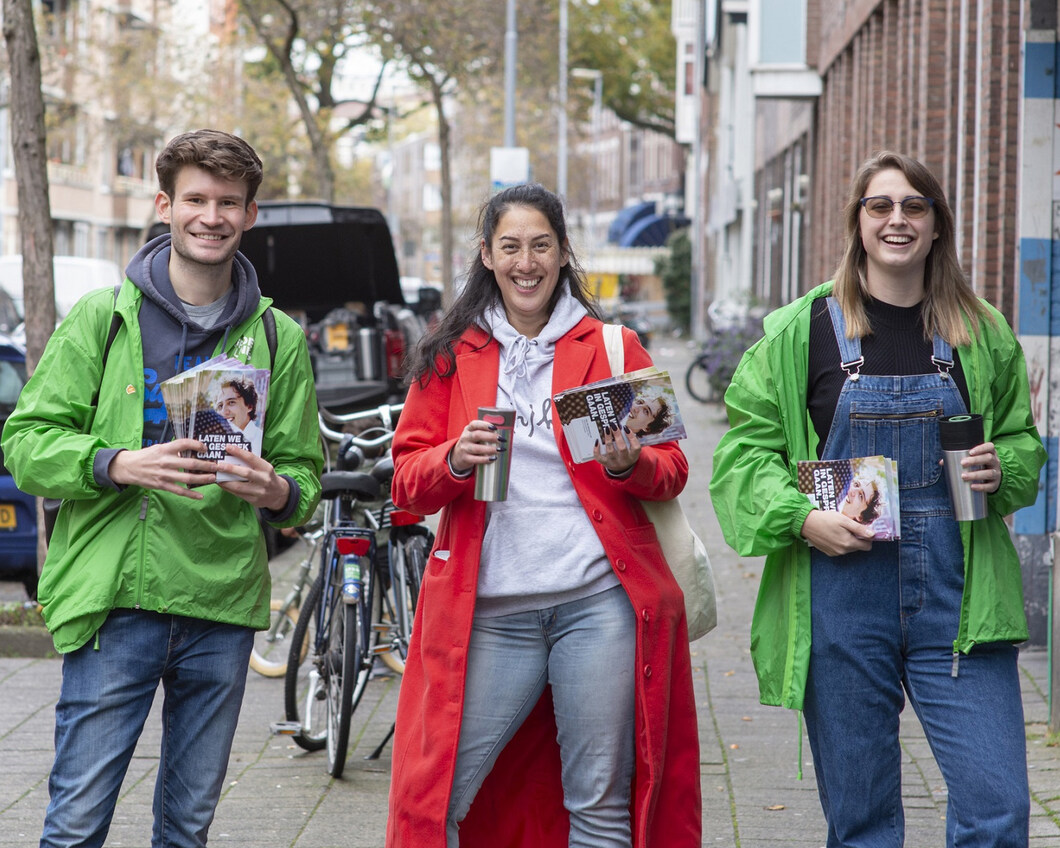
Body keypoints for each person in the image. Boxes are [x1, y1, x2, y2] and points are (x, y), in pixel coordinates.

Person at [710, 151, 1045, 848]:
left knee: (998, 810)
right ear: (858, 223)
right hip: (840, 600)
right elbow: (743, 457)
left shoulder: (979, 333)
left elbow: (1021, 442)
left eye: (913, 206)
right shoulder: (800, 333)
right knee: (862, 823)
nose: (897, 220)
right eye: (880, 206)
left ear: (936, 225)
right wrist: (802, 517)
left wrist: (1000, 467)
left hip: (960, 599)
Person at [2, 128, 324, 848]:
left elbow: (305, 482)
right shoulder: (102, 318)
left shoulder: (278, 340)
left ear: (250, 217)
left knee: (186, 828)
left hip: (220, 606)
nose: (211, 216)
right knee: (77, 823)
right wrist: (117, 463)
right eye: (196, 199)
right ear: (164, 205)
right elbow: (24, 444)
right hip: (117, 600)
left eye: (229, 202)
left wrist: (273, 490)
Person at [385, 182, 701, 848]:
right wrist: (455, 459)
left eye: (540, 246)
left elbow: (671, 472)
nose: (525, 262)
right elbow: (406, 488)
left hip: (598, 605)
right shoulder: (449, 356)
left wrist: (627, 466)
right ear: (487, 256)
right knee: (435, 794)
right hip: (492, 614)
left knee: (599, 803)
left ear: (563, 254)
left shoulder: (612, 350)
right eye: (510, 247)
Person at [215, 375, 263, 454]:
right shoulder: (214, 440)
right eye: (220, 406)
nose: (223, 412)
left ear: (249, 406)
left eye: (231, 402)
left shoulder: (260, 439)